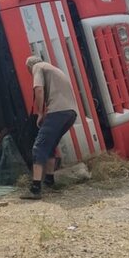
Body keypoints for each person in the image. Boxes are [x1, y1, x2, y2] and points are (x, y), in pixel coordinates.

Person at [22, 56, 78, 199]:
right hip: (71, 113)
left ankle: (35, 189)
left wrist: (40, 113)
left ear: (29, 67)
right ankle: (50, 182)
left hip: (58, 111)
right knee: (50, 145)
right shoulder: (53, 68)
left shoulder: (37, 67)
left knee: (38, 147)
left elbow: (39, 90)